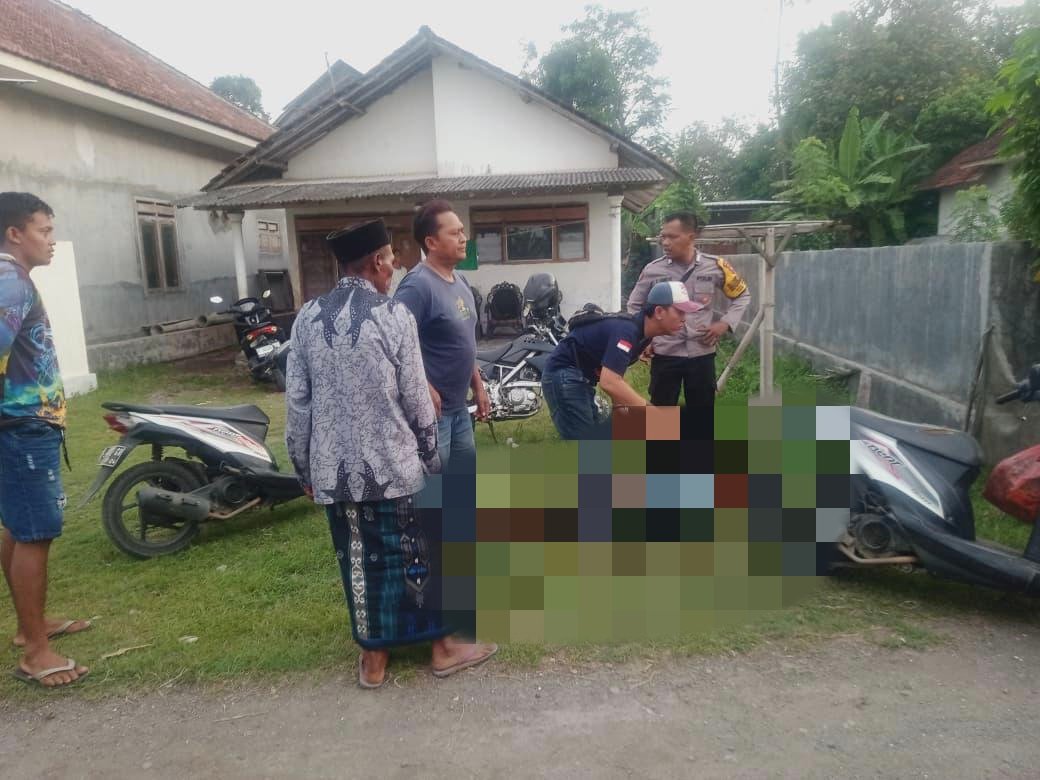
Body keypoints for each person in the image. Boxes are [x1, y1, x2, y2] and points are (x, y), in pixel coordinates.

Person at [285, 218, 496, 689]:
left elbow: (297, 404)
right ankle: (443, 647)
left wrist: (304, 469)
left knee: (358, 558)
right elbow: (418, 401)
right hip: (395, 467)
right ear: (378, 262)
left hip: (336, 472)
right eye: (390, 260)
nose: (394, 268)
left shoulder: (307, 318)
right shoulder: (393, 315)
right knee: (420, 554)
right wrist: (430, 459)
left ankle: (374, 657)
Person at [0, 192, 91, 688]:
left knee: (17, 527)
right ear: (15, 233)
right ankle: (37, 653)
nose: (51, 241)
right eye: (44, 231)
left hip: (20, 425)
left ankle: (28, 628)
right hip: (22, 426)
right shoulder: (10, 281)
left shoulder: (12, 278)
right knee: (36, 531)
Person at [626, 211, 751, 436]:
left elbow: (742, 295)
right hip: (665, 354)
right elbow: (634, 306)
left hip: (701, 354)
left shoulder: (716, 266)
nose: (665, 242)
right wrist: (646, 338)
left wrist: (724, 324)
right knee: (662, 414)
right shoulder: (653, 269)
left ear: (691, 237)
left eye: (672, 237)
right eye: (663, 236)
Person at [394, 200, 490, 471]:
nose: (463, 238)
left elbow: (464, 343)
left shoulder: (460, 281)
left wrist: (478, 386)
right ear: (431, 242)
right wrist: (423, 385)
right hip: (433, 414)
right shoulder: (417, 286)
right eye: (455, 233)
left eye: (462, 231)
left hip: (459, 409)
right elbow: (393, 346)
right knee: (436, 484)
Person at [542, 281, 700, 440]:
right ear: (659, 312)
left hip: (579, 377)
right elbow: (610, 382)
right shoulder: (627, 332)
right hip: (564, 374)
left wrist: (622, 411)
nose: (684, 318)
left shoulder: (643, 335)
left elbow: (614, 375)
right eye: (680, 312)